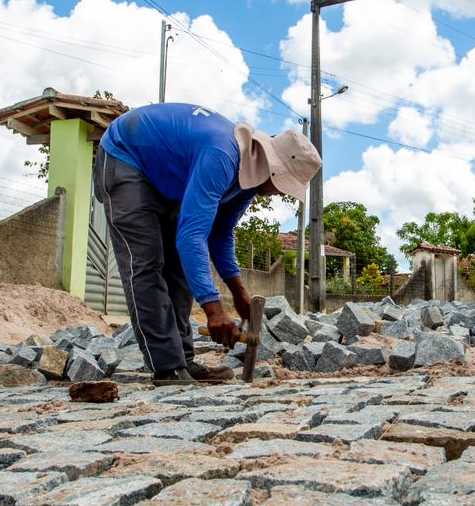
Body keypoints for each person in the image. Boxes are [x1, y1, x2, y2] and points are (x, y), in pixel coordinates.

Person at [94, 102, 320, 384]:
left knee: (178, 269)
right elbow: (191, 236)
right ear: (272, 168)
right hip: (125, 155)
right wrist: (213, 310)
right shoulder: (221, 155)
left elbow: (220, 233)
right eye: (282, 185)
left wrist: (238, 293)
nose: (278, 194)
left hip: (163, 174)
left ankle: (183, 361)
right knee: (147, 264)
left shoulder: (248, 178)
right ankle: (167, 368)